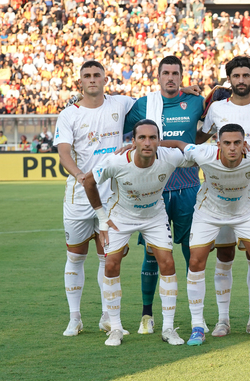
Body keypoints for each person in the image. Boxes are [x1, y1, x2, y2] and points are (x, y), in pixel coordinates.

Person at [169, 123, 250, 346]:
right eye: (227, 143)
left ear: (244, 144)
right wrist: (138, 145)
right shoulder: (204, 152)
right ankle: (197, 326)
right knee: (196, 262)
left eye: (237, 143)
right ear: (218, 143)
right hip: (208, 212)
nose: (232, 148)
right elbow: (180, 144)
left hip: (243, 211)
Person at [83, 119, 189, 346]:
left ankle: (169, 328)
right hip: (120, 217)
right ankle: (116, 328)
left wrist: (178, 142)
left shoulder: (170, 157)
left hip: (154, 216)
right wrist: (102, 216)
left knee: (168, 263)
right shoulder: (116, 161)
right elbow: (88, 181)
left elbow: (194, 152)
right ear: (133, 141)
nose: (147, 142)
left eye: (153, 137)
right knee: (111, 264)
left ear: (159, 141)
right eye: (142, 138)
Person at [196, 56, 250, 337]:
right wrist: (200, 103)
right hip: (220, 192)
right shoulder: (218, 108)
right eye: (236, 76)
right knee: (225, 254)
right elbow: (199, 137)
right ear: (229, 79)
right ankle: (223, 319)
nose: (241, 80)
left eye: (246, 75)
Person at [123, 55, 205, 335]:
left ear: (182, 77)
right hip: (153, 190)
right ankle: (147, 315)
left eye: (175, 73)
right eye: (165, 73)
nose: (170, 77)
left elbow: (207, 130)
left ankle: (197, 316)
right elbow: (126, 135)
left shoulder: (196, 101)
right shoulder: (144, 105)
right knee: (151, 255)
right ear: (157, 76)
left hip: (188, 188)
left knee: (191, 253)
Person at [54, 60, 135, 337]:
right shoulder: (69, 115)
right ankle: (74, 318)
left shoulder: (121, 104)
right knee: (75, 257)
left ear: (104, 79)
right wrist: (79, 174)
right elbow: (64, 151)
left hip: (112, 197)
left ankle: (107, 317)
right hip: (78, 197)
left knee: (107, 259)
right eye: (87, 76)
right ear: (80, 82)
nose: (92, 79)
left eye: (96, 75)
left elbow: (156, 101)